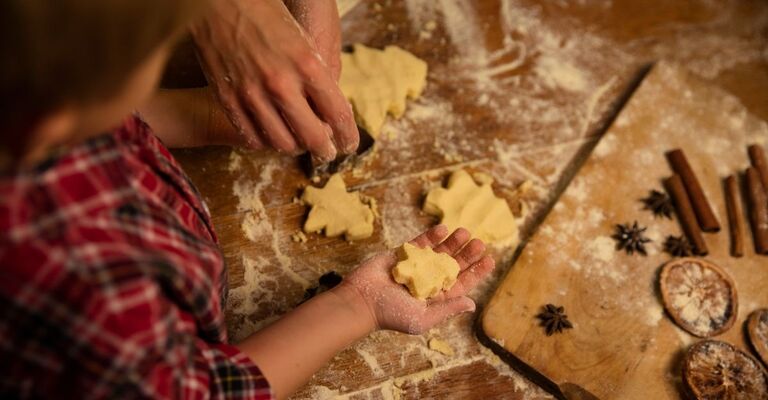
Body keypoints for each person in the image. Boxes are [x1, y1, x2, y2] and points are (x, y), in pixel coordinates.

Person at [0, 1, 496, 399]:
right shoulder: (98, 296)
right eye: (151, 58)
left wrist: (207, 119)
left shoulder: (37, 109)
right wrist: (358, 304)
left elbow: (123, 115)